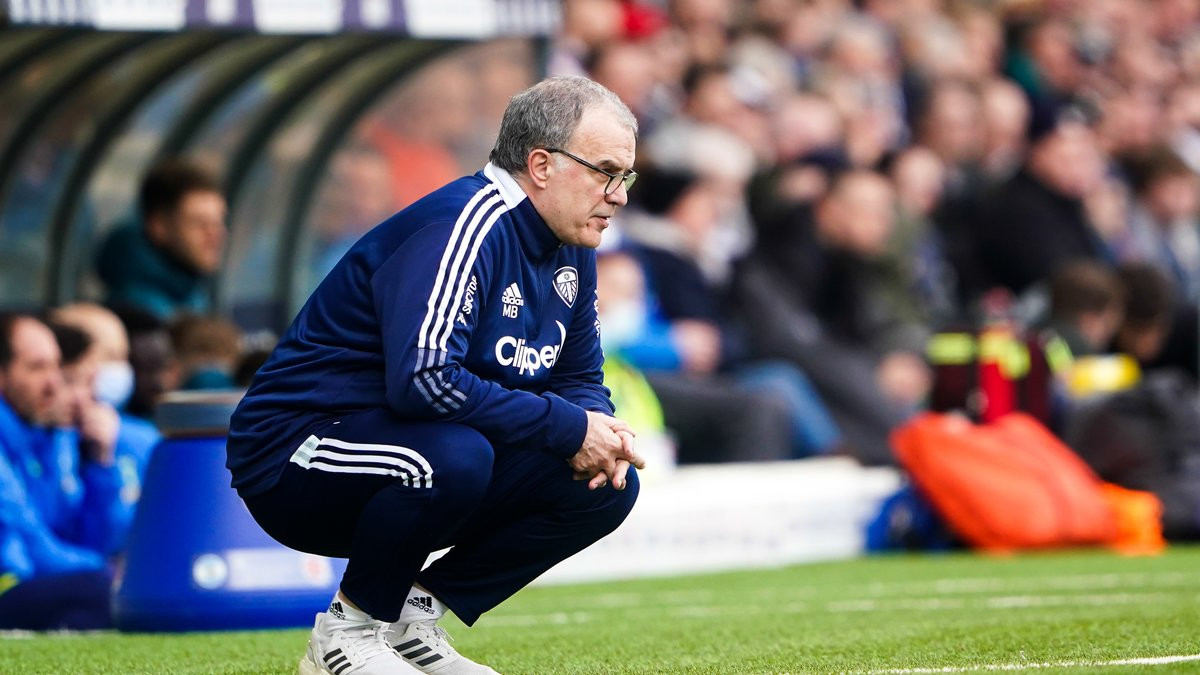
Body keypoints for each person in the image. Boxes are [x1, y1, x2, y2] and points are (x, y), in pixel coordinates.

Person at [227, 77, 645, 675]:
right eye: (606, 172)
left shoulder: (571, 245)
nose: (618, 195)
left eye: (625, 177)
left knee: (602, 485)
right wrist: (568, 426)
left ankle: (410, 622)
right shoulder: (465, 226)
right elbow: (425, 380)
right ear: (542, 165)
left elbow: (577, 375)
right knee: (454, 456)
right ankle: (344, 636)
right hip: (296, 450)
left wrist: (597, 429)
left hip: (417, 444)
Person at [0, 314, 127, 630]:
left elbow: (92, 537)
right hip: (14, 583)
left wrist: (101, 463)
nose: (54, 382)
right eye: (37, 368)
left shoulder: (46, 437)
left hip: (39, 584)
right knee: (103, 593)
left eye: (56, 366)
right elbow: (33, 550)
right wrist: (110, 571)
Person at [96, 159, 227, 320]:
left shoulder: (191, 295)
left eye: (218, 221)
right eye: (200, 223)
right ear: (159, 227)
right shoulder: (137, 315)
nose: (216, 234)